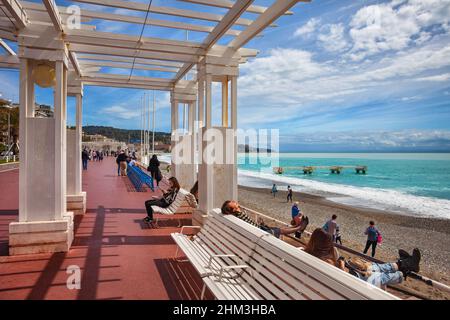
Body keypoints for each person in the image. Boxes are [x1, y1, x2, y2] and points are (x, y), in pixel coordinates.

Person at [304, 228, 421, 289]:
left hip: (349, 279)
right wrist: (341, 264)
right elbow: (341, 274)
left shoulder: (307, 253)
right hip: (353, 281)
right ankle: (404, 269)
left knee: (374, 267)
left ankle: (404, 263)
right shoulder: (327, 261)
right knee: (378, 273)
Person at [221, 200, 309, 239]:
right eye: (233, 202)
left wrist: (261, 224)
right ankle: (298, 228)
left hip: (257, 230)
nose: (234, 201)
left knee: (279, 229)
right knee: (280, 230)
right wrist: (261, 225)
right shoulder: (239, 215)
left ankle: (297, 226)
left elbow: (249, 223)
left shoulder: (237, 215)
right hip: (259, 233)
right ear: (234, 209)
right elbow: (250, 225)